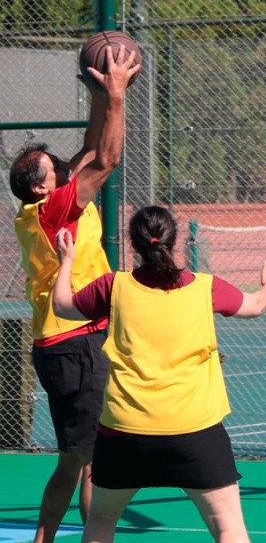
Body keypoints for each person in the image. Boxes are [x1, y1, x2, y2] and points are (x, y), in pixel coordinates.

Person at [52, 205, 266, 543]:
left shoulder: (113, 286)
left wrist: (66, 261)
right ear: (174, 241)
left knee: (100, 521)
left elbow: (62, 305)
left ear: (133, 245)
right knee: (229, 527)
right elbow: (255, 306)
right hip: (195, 431)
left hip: (125, 432)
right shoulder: (204, 287)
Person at [9, 45, 140, 543]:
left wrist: (96, 98)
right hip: (76, 343)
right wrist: (117, 94)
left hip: (66, 343)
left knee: (86, 460)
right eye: (53, 167)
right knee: (80, 461)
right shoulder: (53, 211)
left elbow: (87, 151)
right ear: (43, 188)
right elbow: (105, 158)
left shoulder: (44, 205)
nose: (65, 167)